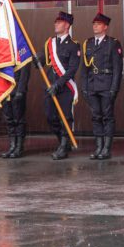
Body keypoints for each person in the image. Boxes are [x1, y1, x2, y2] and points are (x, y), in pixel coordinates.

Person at [82, 12, 123, 161]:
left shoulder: (113, 43)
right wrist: (84, 87)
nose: (95, 26)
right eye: (94, 24)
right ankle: (98, 147)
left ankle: (106, 148)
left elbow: (118, 68)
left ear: (105, 27)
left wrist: (114, 88)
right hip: (92, 84)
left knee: (107, 117)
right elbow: (85, 68)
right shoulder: (88, 43)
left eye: (98, 24)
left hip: (106, 84)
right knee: (95, 117)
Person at [45, 11, 81, 161]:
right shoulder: (50, 43)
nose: (56, 24)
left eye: (59, 22)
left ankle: (63, 146)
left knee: (65, 117)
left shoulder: (74, 46)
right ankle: (63, 142)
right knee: (50, 116)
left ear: (66, 25)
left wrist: (58, 84)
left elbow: (72, 69)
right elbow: (43, 58)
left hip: (65, 87)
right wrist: (36, 59)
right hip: (49, 86)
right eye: (56, 21)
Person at [0, 53, 31, 160]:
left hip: (17, 89)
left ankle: (19, 146)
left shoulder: (21, 49)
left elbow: (25, 70)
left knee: (19, 119)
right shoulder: (4, 49)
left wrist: (21, 90)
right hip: (6, 89)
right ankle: (12, 145)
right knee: (9, 119)